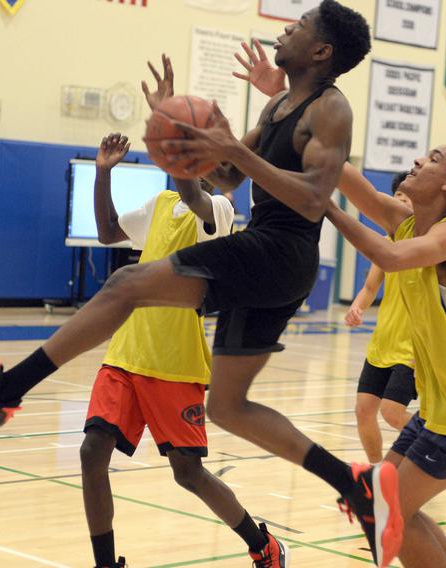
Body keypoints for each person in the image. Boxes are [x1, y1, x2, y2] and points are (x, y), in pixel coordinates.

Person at [0, 3, 403, 566]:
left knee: (125, 283)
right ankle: (353, 484)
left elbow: (315, 197)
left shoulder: (331, 109)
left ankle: (2, 393)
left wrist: (233, 150)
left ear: (323, 51)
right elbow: (224, 175)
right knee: (228, 408)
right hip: (274, 259)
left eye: (301, 25)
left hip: (280, 248)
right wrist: (183, 138)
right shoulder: (278, 105)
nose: (287, 27)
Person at [81, 128, 285, 567]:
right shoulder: (160, 205)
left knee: (188, 473)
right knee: (91, 452)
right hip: (126, 352)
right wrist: (102, 174)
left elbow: (192, 195)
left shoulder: (220, 211)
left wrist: (177, 150)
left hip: (175, 362)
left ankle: (262, 544)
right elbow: (107, 232)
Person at [327, 128, 446, 568]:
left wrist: (324, 208)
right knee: (383, 503)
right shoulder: (408, 221)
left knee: (385, 509)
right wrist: (292, 105)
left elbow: (390, 257)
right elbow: (347, 177)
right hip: (442, 408)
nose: (418, 161)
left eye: (433, 159)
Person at [344, 173, 417, 464]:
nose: (399, 202)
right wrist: (357, 306)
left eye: (406, 198)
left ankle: (436, 444)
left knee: (393, 412)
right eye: (396, 197)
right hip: (383, 342)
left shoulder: (427, 241)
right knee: (363, 410)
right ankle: (376, 471)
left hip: (411, 347)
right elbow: (371, 286)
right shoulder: (388, 241)